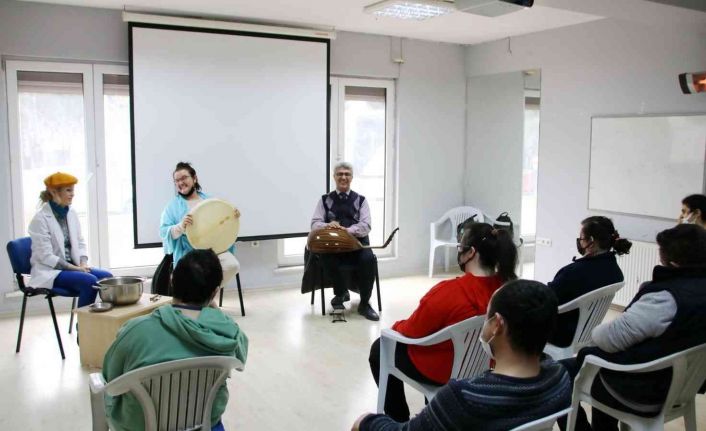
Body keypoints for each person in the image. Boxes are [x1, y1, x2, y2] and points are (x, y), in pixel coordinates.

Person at [354, 279, 572, 431]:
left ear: (496, 324)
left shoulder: (465, 397)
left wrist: (366, 421)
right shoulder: (560, 378)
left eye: (487, 315)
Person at [561, 224, 706, 431]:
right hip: (683, 384)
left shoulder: (665, 299)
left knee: (561, 373)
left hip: (646, 390)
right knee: (605, 358)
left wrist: (594, 333)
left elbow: (607, 338)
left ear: (673, 263)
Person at [368, 222, 517, 422]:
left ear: (471, 253)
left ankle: (399, 420)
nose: (459, 250)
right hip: (481, 367)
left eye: (461, 245)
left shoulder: (449, 292)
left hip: (440, 371)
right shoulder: (506, 289)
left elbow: (412, 330)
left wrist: (394, 328)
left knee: (380, 348)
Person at [102, 249, 249, 431]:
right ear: (215, 293)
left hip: (140, 426)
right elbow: (241, 359)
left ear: (171, 280)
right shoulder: (229, 331)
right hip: (203, 424)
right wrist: (215, 310)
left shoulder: (135, 330)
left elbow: (109, 378)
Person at [28, 172, 112, 307]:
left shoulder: (71, 213)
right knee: (89, 281)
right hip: (51, 271)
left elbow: (80, 242)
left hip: (74, 266)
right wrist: (75, 268)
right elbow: (45, 256)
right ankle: (84, 320)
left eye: (73, 190)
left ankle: (103, 318)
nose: (73, 194)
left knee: (107, 278)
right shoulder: (40, 219)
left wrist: (83, 264)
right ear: (54, 192)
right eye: (68, 190)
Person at [546, 216, 632, 348]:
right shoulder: (615, 272)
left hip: (561, 334)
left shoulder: (572, 273)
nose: (579, 242)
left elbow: (545, 300)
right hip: (587, 332)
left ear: (591, 242)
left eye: (581, 238)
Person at [310, 161, 379, 321]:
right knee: (325, 258)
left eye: (347, 174)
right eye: (340, 174)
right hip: (333, 247)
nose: (343, 177)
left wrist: (346, 231)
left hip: (357, 245)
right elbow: (315, 223)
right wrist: (328, 225)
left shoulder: (361, 200)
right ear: (334, 177)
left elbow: (366, 225)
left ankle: (364, 304)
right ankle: (341, 292)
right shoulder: (324, 200)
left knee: (368, 259)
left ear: (352, 178)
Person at [160, 162, 241, 288]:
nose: (180, 182)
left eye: (184, 178)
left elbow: (222, 222)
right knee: (195, 274)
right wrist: (180, 226)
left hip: (214, 250)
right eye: (177, 180)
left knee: (232, 265)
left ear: (194, 178)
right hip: (189, 254)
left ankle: (207, 295)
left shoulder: (210, 201)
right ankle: (204, 296)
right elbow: (164, 232)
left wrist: (233, 214)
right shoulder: (172, 207)